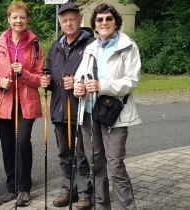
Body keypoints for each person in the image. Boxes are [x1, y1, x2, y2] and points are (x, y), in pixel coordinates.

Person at [74, 3, 141, 210]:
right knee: (96, 165)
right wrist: (78, 86)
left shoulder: (128, 46)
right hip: (88, 113)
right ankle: (102, 207)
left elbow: (132, 80)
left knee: (115, 166)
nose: (104, 23)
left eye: (108, 19)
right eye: (100, 19)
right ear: (94, 24)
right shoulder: (91, 48)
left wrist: (102, 86)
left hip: (115, 115)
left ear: (115, 21)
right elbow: (80, 75)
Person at [0, 1, 44, 207]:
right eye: (15, 17)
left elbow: (40, 79)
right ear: (9, 19)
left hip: (27, 102)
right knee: (8, 146)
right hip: (4, 101)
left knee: (22, 142)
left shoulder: (35, 44)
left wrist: (24, 73)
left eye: (22, 17)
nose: (18, 20)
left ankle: (24, 188)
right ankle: (11, 187)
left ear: (27, 20)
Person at [40, 2, 94, 209]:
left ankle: (84, 192)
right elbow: (49, 72)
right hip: (59, 108)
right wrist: (47, 80)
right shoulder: (56, 46)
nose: (68, 23)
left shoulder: (91, 44)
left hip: (81, 109)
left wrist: (80, 83)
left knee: (81, 154)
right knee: (64, 152)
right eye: (64, 20)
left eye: (72, 19)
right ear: (60, 23)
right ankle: (67, 188)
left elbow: (96, 74)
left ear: (80, 20)